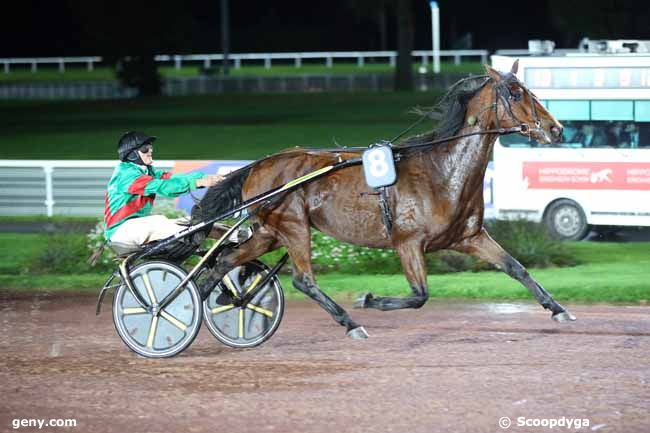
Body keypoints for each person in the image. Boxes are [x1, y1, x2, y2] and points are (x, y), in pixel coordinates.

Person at [104, 131, 223, 251]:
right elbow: (164, 187)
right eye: (145, 148)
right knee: (161, 222)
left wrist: (203, 177)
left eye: (150, 147)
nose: (150, 151)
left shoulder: (147, 170)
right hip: (121, 231)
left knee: (194, 223)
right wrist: (197, 183)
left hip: (135, 226)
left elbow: (173, 178)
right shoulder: (126, 175)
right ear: (132, 154)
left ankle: (236, 238)